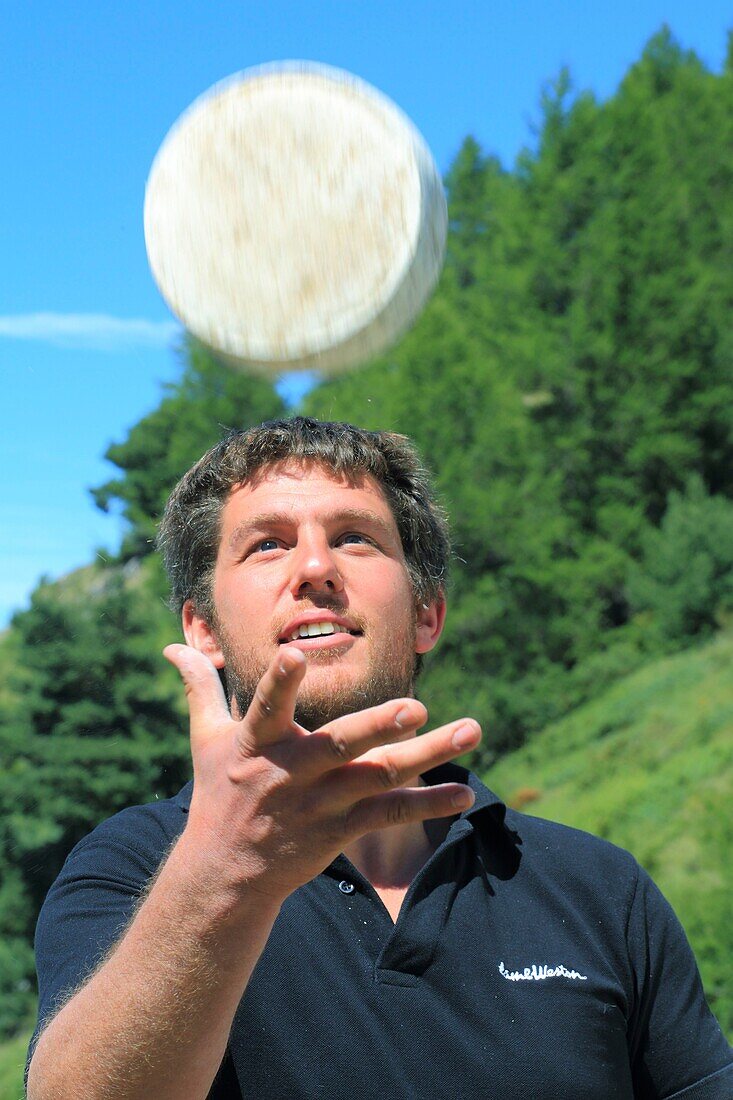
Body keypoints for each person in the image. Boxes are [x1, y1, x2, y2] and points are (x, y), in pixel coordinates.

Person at [27, 417, 732, 1099]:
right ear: (203, 629)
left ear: (427, 613)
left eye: (355, 538)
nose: (314, 567)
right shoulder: (127, 869)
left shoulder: (600, 890)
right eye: (267, 545)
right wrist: (225, 871)